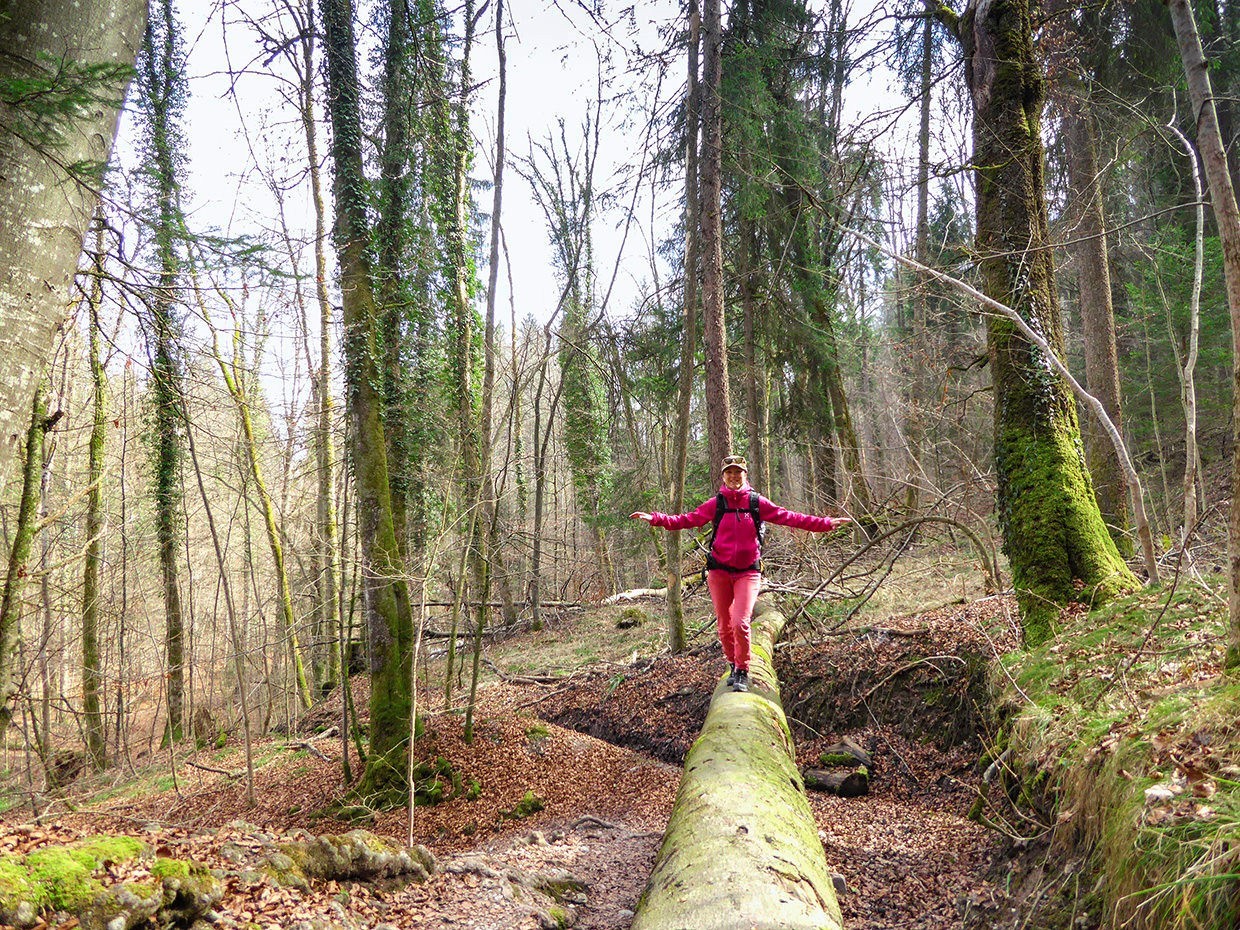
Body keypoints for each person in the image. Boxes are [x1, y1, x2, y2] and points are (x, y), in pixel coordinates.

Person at [631, 454, 851, 692]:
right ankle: (733, 665)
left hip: (748, 573)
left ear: (745, 475)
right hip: (719, 573)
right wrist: (655, 518)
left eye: (738, 472)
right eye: (729, 473)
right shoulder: (716, 504)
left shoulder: (756, 502)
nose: (734, 476)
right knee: (724, 626)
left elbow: (790, 517)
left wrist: (825, 524)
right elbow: (687, 520)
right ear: (723, 476)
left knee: (741, 622)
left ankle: (743, 671)